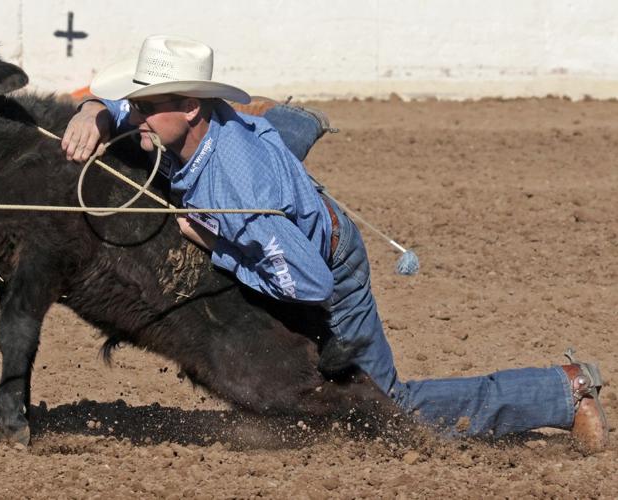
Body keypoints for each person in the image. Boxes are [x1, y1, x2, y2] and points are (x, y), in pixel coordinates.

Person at [61, 35, 609, 453]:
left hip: (326, 267)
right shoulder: (183, 124)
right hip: (292, 225)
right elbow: (116, 104)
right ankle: (285, 124)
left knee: (386, 410)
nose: (135, 116)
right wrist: (94, 112)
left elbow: (309, 282)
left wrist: (213, 240)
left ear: (190, 108)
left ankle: (562, 392)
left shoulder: (237, 193)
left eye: (147, 106)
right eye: (135, 104)